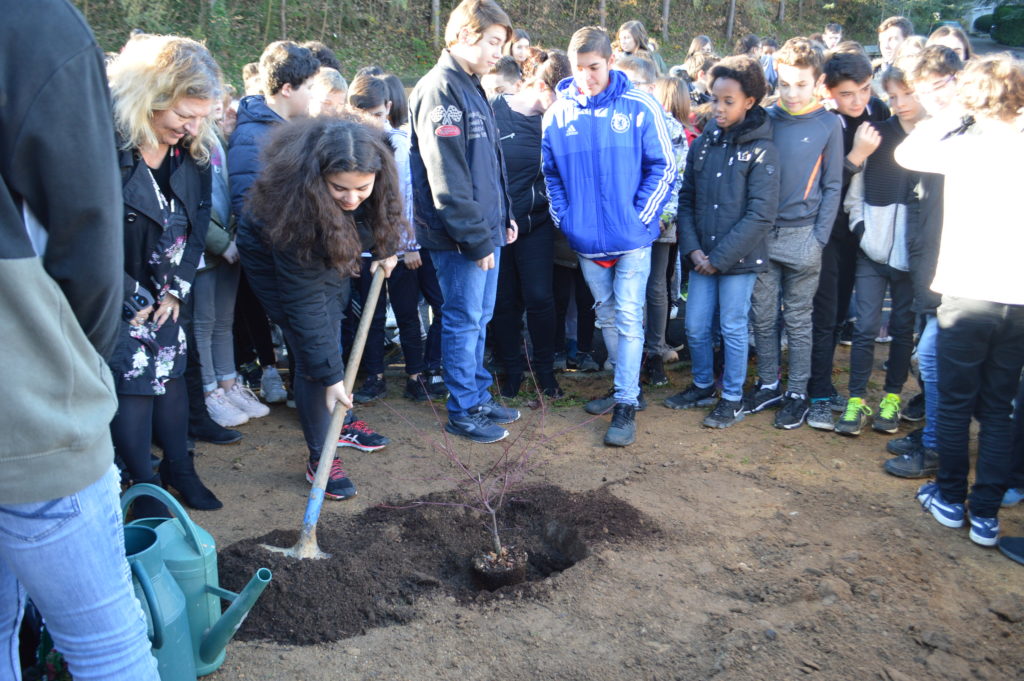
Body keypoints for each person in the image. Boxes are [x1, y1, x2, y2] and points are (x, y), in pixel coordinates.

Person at [1, 1, 161, 677]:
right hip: (29, 409)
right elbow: (89, 239)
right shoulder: (31, 21)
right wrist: (79, 363)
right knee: (108, 645)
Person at [240, 117, 402, 500]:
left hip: (326, 244)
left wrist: (384, 249)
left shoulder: (374, 179)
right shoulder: (293, 208)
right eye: (339, 188)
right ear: (319, 179)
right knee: (313, 350)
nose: (351, 198)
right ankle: (321, 455)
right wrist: (332, 375)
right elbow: (306, 305)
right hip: (276, 256)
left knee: (336, 317)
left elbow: (382, 214)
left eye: (362, 188)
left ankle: (337, 421)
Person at [899, 55, 1024, 548]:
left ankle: (951, 499)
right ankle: (987, 515)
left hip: (969, 291)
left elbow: (910, 152)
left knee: (952, 404)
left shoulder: (967, 146)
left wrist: (955, 114)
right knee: (998, 407)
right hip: (1018, 299)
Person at [542, 26, 675, 447]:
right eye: (579, 69)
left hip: (633, 239)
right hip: (586, 242)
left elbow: (664, 166)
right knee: (607, 316)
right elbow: (550, 175)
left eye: (594, 68)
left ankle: (625, 402)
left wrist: (640, 218)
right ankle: (626, 388)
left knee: (630, 318)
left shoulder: (640, 105)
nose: (586, 77)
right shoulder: (558, 114)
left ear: (610, 62)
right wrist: (567, 220)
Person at [106, 35, 223, 513]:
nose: (193, 127)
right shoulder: (109, 150)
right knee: (134, 384)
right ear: (148, 98)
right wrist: (133, 296)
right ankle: (142, 484)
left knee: (172, 378)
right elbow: (84, 233)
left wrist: (177, 289)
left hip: (168, 290)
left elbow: (197, 226)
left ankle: (181, 468)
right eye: (182, 115)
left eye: (202, 116)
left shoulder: (191, 153)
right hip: (117, 293)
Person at [409, 0, 520, 444]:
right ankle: (463, 409)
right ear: (462, 36)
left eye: (502, 44)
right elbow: (447, 179)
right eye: (493, 42)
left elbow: (490, 164)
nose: (499, 52)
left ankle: (477, 392)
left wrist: (504, 218)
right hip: (459, 238)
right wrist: (476, 240)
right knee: (462, 318)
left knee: (480, 316)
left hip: (485, 231)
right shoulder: (440, 90)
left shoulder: (472, 85)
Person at [666, 56, 779, 428]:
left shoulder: (763, 150)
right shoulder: (703, 144)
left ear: (750, 101)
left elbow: (760, 214)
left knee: (732, 327)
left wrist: (719, 257)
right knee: (696, 327)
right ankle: (701, 385)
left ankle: (732, 396)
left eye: (729, 101)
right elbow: (687, 200)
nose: (719, 107)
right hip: (701, 257)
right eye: (715, 99)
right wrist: (694, 250)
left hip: (739, 261)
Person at [746, 37, 843, 430]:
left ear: (817, 81)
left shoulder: (827, 123)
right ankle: (770, 382)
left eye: (801, 84)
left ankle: (798, 392)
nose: (792, 92)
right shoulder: (766, 117)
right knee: (763, 317)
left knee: (799, 320)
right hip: (764, 236)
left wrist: (819, 238)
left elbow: (833, 184)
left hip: (805, 237)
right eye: (784, 83)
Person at [883, 45, 964, 478]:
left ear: (960, 78)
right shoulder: (940, 132)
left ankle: (938, 447)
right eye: (923, 90)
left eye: (938, 86)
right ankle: (934, 436)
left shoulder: (976, 130)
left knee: (934, 359)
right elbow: (910, 168)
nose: (931, 98)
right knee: (930, 359)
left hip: (972, 271)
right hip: (934, 260)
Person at [835, 59, 924, 437]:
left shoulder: (935, 139)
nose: (900, 102)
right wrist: (861, 229)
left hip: (913, 256)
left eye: (908, 93)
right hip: (872, 250)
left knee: (903, 328)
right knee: (867, 326)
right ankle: (856, 399)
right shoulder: (877, 134)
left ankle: (891, 397)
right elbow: (854, 195)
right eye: (893, 95)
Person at [229, 41, 319, 407]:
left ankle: (309, 401)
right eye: (310, 87)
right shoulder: (252, 137)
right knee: (303, 336)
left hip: (299, 257)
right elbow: (251, 206)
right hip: (279, 259)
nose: (314, 95)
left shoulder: (295, 128)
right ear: (287, 89)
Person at [347, 74, 446, 403]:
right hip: (364, 248)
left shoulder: (400, 145)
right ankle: (374, 376)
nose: (372, 121)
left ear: (388, 107)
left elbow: (406, 198)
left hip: (400, 249)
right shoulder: (349, 143)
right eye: (365, 115)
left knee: (406, 313)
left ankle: (415, 375)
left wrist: (407, 247)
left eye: (377, 114)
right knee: (370, 316)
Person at [806, 48, 888, 431]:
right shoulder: (822, 122)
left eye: (865, 90)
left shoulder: (880, 113)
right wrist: (855, 157)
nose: (858, 100)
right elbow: (819, 187)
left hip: (865, 231)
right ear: (829, 91)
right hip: (826, 234)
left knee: (842, 313)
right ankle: (817, 392)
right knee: (824, 314)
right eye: (848, 93)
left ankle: (824, 384)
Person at [491, 49, 572, 399]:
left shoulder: (556, 122)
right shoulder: (494, 111)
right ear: (540, 85)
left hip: (536, 225)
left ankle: (545, 373)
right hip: (497, 227)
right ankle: (511, 370)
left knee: (541, 298)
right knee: (505, 301)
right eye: (558, 95)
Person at [614, 56, 684, 388]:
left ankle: (655, 352)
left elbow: (675, 177)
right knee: (626, 290)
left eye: (633, 85)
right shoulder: (615, 120)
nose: (626, 91)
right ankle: (628, 356)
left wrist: (661, 217)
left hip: (657, 223)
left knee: (655, 287)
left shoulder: (670, 126)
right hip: (623, 225)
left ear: (651, 88)